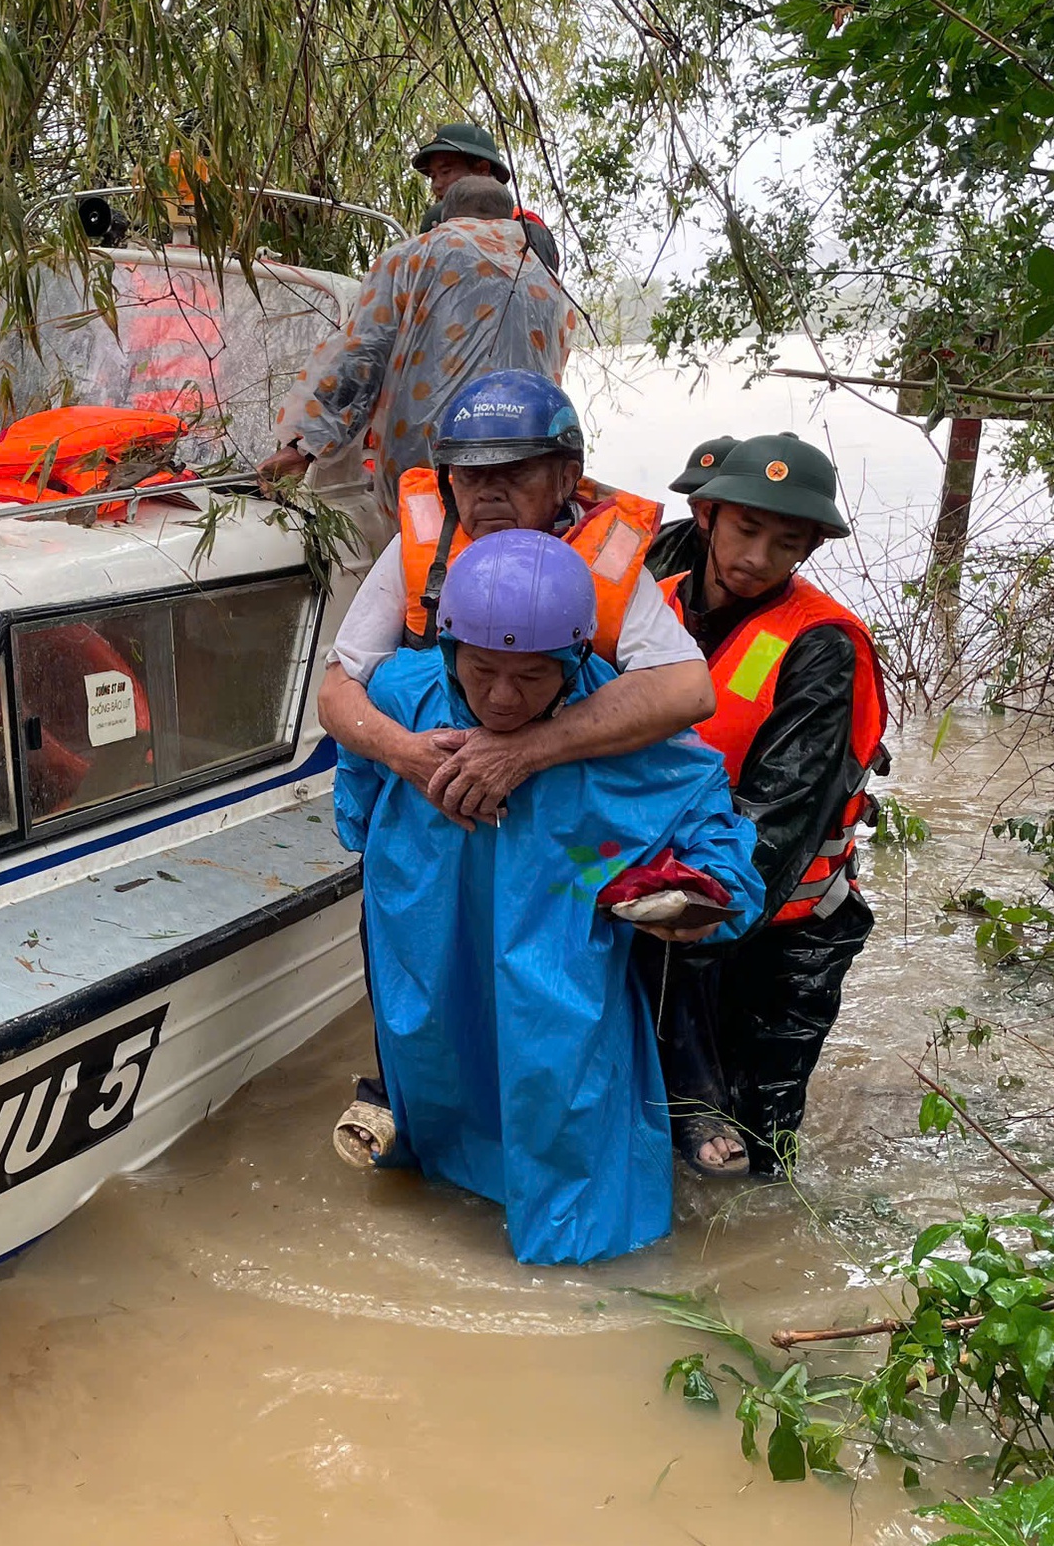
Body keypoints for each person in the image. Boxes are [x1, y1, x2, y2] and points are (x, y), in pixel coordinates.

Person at [331, 530, 763, 1264]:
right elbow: (357, 800)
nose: (501, 697)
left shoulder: (616, 732)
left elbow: (709, 832)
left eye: (530, 678)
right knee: (439, 1099)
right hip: (434, 951)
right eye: (481, 670)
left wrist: (695, 898)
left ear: (572, 663)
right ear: (448, 652)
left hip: (553, 976)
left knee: (560, 1115)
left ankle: (581, 1287)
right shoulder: (406, 701)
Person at [641, 432, 888, 1179]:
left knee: (756, 1149)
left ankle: (756, 1268)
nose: (757, 555)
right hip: (660, 907)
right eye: (746, 528)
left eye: (786, 542)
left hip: (778, 933)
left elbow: (780, 814)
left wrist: (700, 913)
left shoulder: (821, 647)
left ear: (808, 549)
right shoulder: (651, 600)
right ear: (709, 516)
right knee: (648, 1112)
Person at [315, 369, 713, 826]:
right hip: (430, 823)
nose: (487, 494)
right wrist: (409, 756)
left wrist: (526, 749)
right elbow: (335, 694)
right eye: (471, 476)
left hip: (556, 827)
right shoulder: (421, 546)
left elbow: (690, 692)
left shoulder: (605, 557)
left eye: (513, 474)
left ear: (566, 479)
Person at [260, 175, 575, 509]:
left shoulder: (413, 257)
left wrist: (304, 446)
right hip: (525, 467)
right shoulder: (545, 279)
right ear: (507, 215)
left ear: (446, 215)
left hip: (427, 465)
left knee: (426, 551)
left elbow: (362, 355)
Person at [411, 120, 564, 273]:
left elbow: (535, 291)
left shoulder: (526, 231)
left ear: (482, 169)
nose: (437, 185)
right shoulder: (436, 227)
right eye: (433, 176)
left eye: (446, 172)